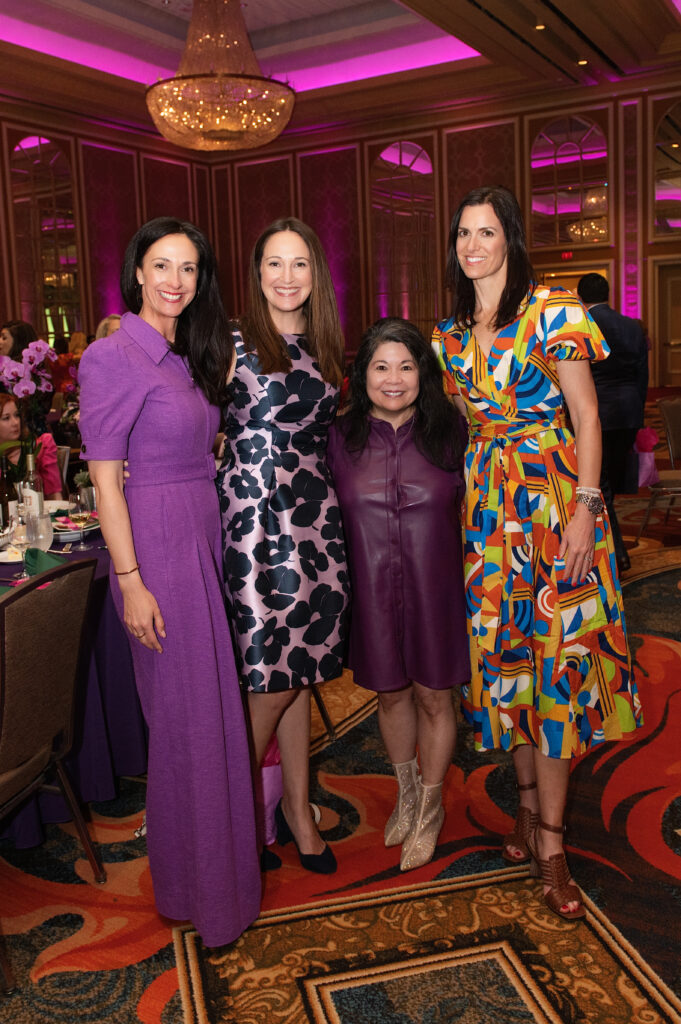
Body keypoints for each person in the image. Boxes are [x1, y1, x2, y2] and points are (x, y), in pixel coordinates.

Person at [434, 186, 642, 920]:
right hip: (488, 519)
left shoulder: (553, 312)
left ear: (510, 240)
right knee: (506, 665)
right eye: (463, 233)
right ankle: (524, 809)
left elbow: (586, 416)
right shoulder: (449, 335)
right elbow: (458, 427)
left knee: (555, 665)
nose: (472, 246)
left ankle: (552, 844)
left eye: (486, 232)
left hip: (554, 507)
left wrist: (587, 510)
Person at [78, 216, 260, 947]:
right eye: (161, 265)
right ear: (137, 272)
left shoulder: (186, 353)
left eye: (188, 268)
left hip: (198, 535)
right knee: (186, 722)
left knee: (207, 713)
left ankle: (211, 882)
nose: (175, 281)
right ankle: (199, 889)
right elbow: (105, 483)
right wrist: (130, 580)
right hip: (156, 545)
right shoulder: (112, 355)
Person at [217, 216, 348, 875]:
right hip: (253, 524)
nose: (287, 276)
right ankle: (230, 818)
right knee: (268, 678)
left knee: (299, 671)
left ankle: (296, 811)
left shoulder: (327, 345)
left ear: (315, 273)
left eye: (299, 263)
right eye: (274, 262)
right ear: (257, 272)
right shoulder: (229, 341)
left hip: (315, 521)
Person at [327, 318, 468, 871]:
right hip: (371, 593)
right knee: (390, 696)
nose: (394, 379)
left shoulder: (452, 432)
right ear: (362, 374)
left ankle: (430, 807)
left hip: (438, 592)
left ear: (422, 374)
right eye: (381, 367)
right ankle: (406, 793)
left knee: (435, 697)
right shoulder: (338, 439)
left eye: (406, 367)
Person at [577, 272, 649, 574]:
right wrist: (638, 413)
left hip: (598, 416)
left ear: (580, 297)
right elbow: (642, 374)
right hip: (629, 414)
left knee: (601, 486)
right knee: (608, 486)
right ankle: (615, 547)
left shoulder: (583, 324)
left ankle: (617, 552)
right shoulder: (632, 326)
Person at [0, 393, 63, 500]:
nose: (15, 422)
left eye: (16, 415)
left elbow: (55, 496)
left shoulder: (41, 447)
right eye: (6, 418)